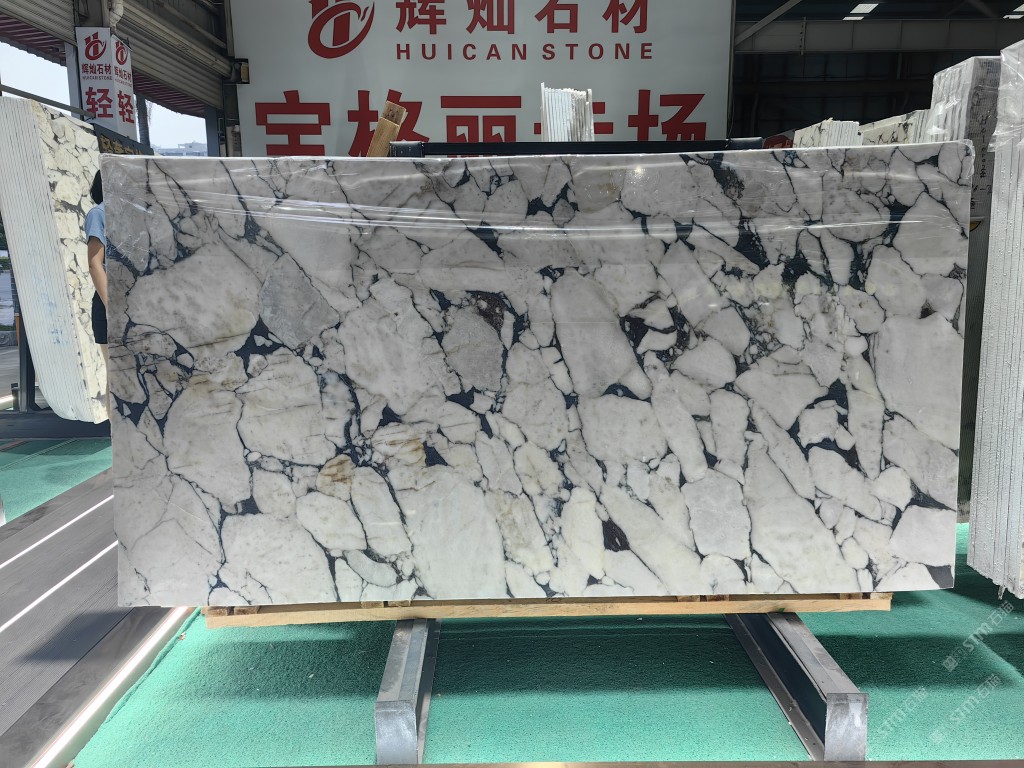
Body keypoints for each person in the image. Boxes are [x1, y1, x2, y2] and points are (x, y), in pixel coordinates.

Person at [85, 170, 109, 418]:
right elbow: (95, 263)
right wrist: (112, 306)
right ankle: (117, 435)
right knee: (117, 373)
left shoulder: (130, 214)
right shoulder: (99, 213)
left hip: (134, 304)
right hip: (109, 304)